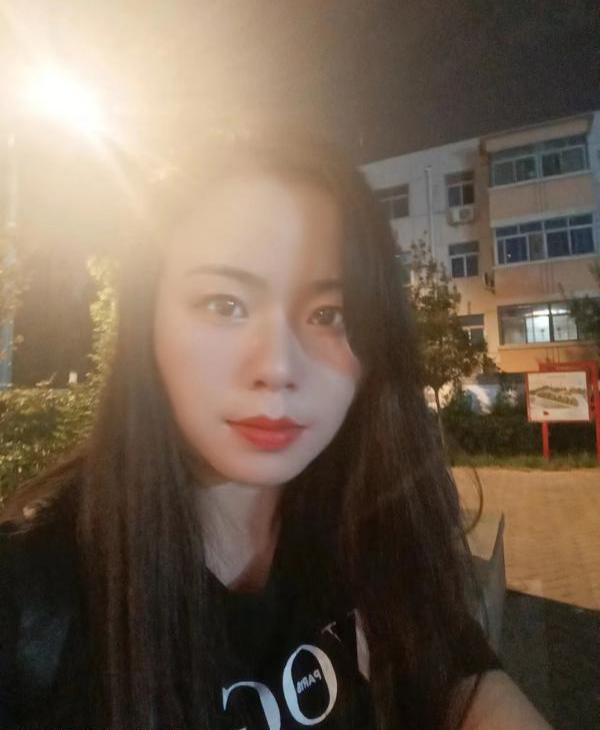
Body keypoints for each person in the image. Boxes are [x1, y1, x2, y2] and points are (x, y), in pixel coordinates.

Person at [0, 126, 552, 730]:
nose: (279, 367)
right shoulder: (30, 597)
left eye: (328, 313)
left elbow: (459, 674)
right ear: (147, 322)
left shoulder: (370, 520)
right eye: (225, 305)